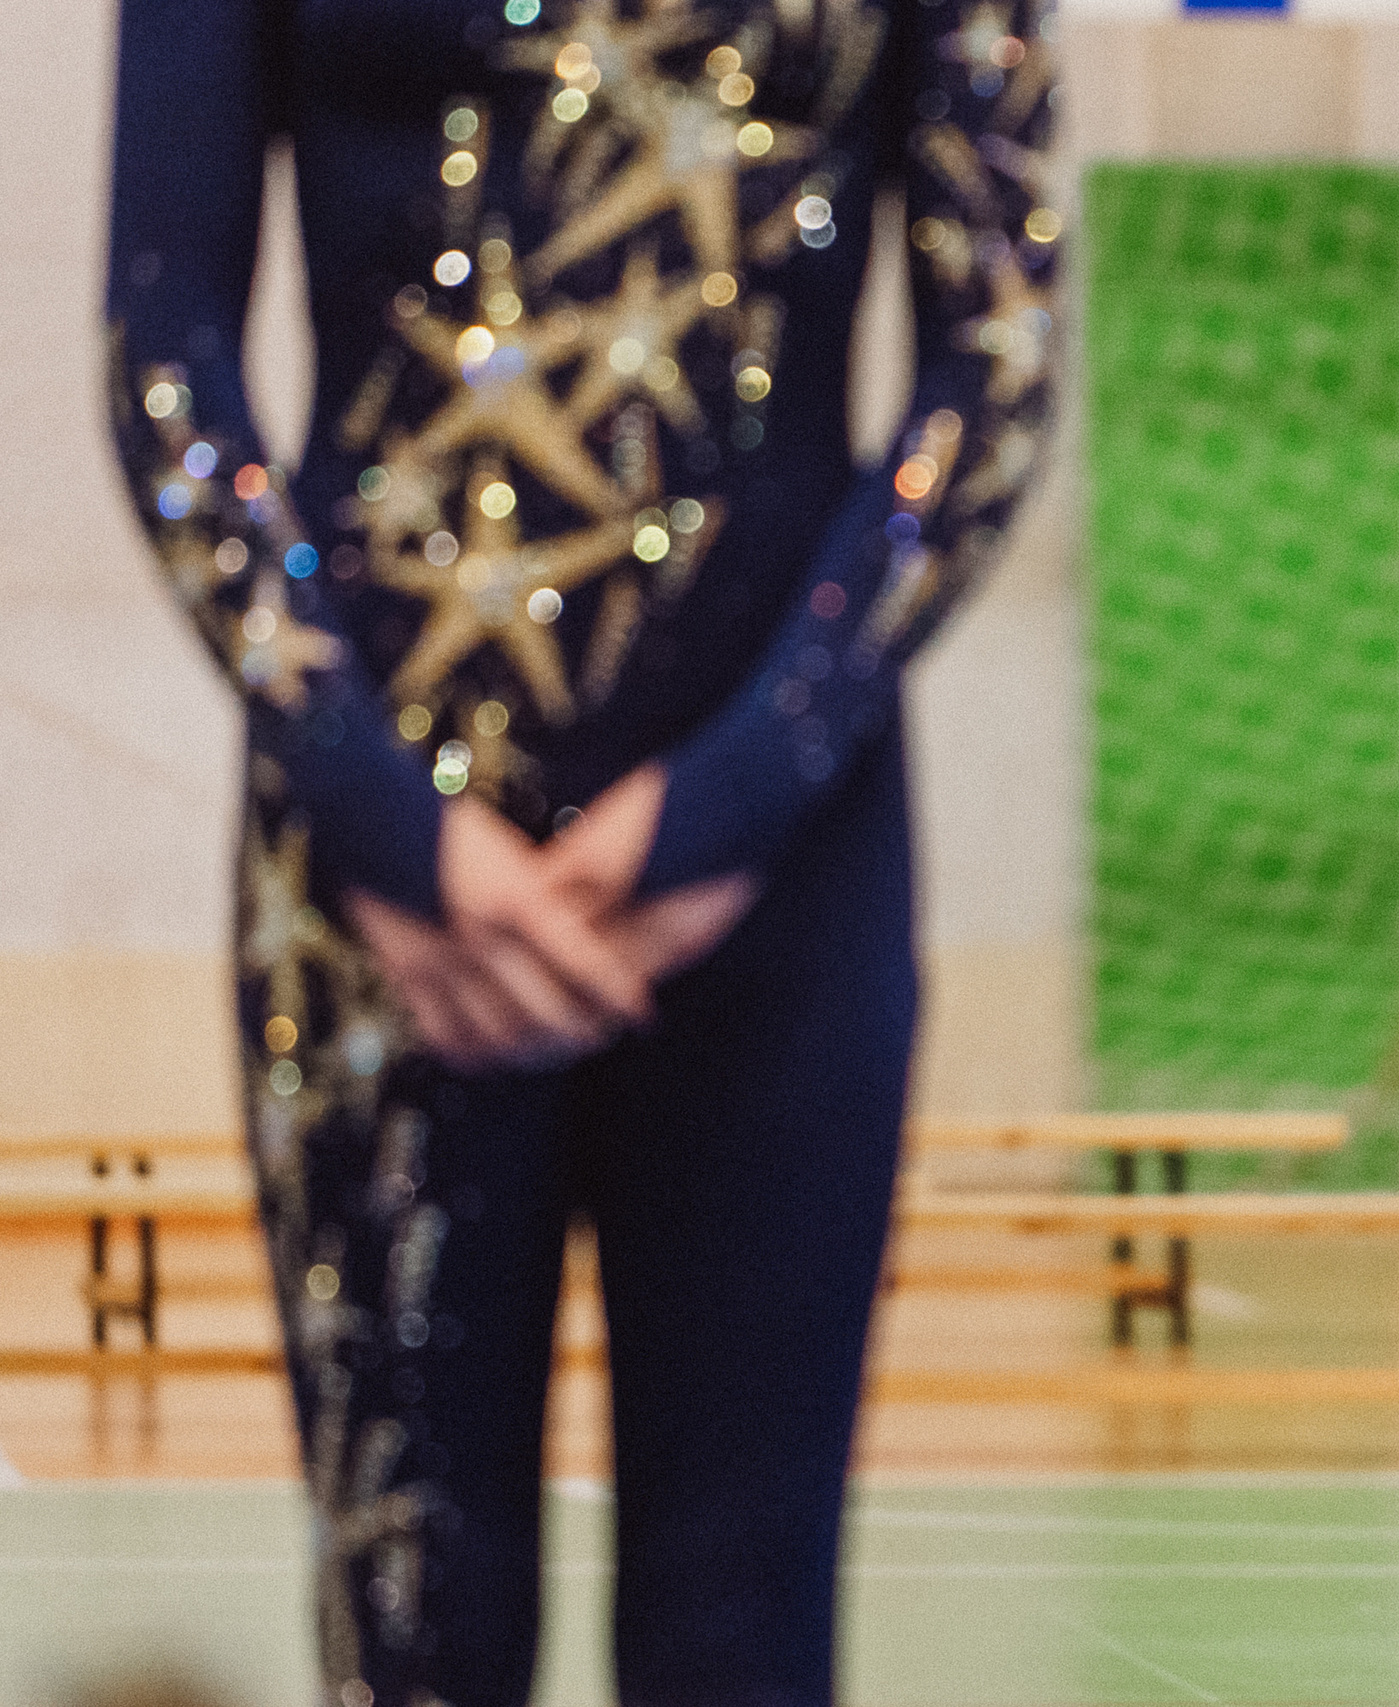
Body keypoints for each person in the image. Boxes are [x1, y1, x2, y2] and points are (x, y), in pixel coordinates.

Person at [103, 1, 1054, 1700]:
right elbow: (164, 352)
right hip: (378, 898)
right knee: (417, 1631)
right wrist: (381, 818)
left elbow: (1000, 358)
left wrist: (739, 793)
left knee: (739, 1631)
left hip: (774, 874)